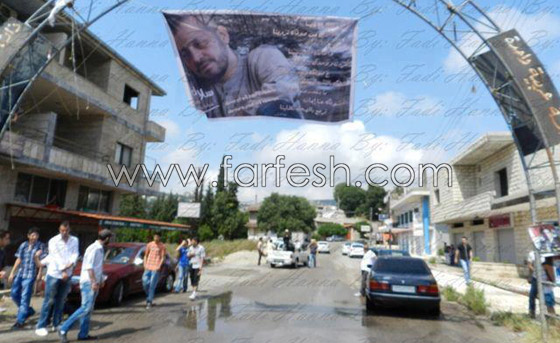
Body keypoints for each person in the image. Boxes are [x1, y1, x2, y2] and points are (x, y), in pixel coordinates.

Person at [164, 13, 302, 119]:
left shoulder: (263, 57)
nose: (195, 58)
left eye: (200, 43)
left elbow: (283, 91)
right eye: (185, 54)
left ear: (223, 36)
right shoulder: (197, 89)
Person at [58, 229, 113, 343]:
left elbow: (97, 267)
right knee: (85, 308)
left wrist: (100, 279)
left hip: (94, 282)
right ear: (107, 238)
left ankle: (83, 334)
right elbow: (89, 267)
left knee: (88, 310)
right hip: (89, 283)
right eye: (110, 238)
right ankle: (63, 328)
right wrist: (93, 281)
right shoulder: (94, 249)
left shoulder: (99, 249)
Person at [36, 221, 79, 337]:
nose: (64, 233)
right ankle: (41, 325)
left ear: (69, 230)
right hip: (55, 274)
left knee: (61, 300)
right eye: (62, 230)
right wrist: (64, 270)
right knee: (49, 300)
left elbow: (75, 254)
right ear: (59, 230)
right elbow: (56, 257)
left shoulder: (74, 240)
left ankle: (57, 323)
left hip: (68, 274)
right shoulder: (53, 241)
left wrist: (71, 265)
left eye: (66, 230)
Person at [9, 228, 47, 330]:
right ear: (28, 236)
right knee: (13, 294)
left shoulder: (41, 246)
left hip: (30, 276)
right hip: (20, 273)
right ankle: (28, 311)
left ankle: (20, 321)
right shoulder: (23, 245)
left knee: (25, 297)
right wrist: (12, 272)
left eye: (37, 235)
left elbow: (42, 261)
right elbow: (19, 258)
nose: (35, 237)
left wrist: (39, 274)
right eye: (33, 235)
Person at [143, 232, 166, 310]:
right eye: (155, 236)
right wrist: (145, 264)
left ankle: (149, 301)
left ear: (159, 237)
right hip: (148, 267)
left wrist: (159, 265)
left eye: (157, 237)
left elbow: (163, 257)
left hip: (156, 267)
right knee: (145, 282)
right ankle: (149, 296)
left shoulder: (162, 246)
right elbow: (145, 255)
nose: (156, 238)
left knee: (152, 285)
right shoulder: (149, 245)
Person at [0, 230, 11, 313]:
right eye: (6, 238)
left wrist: (3, 272)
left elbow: (3, 265)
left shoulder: (2, 251)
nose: (8, 241)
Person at [527, 251, 538, 319]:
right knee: (532, 295)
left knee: (547, 296)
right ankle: (532, 312)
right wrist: (530, 276)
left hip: (546, 277)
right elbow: (529, 265)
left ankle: (549, 315)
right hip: (535, 277)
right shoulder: (532, 253)